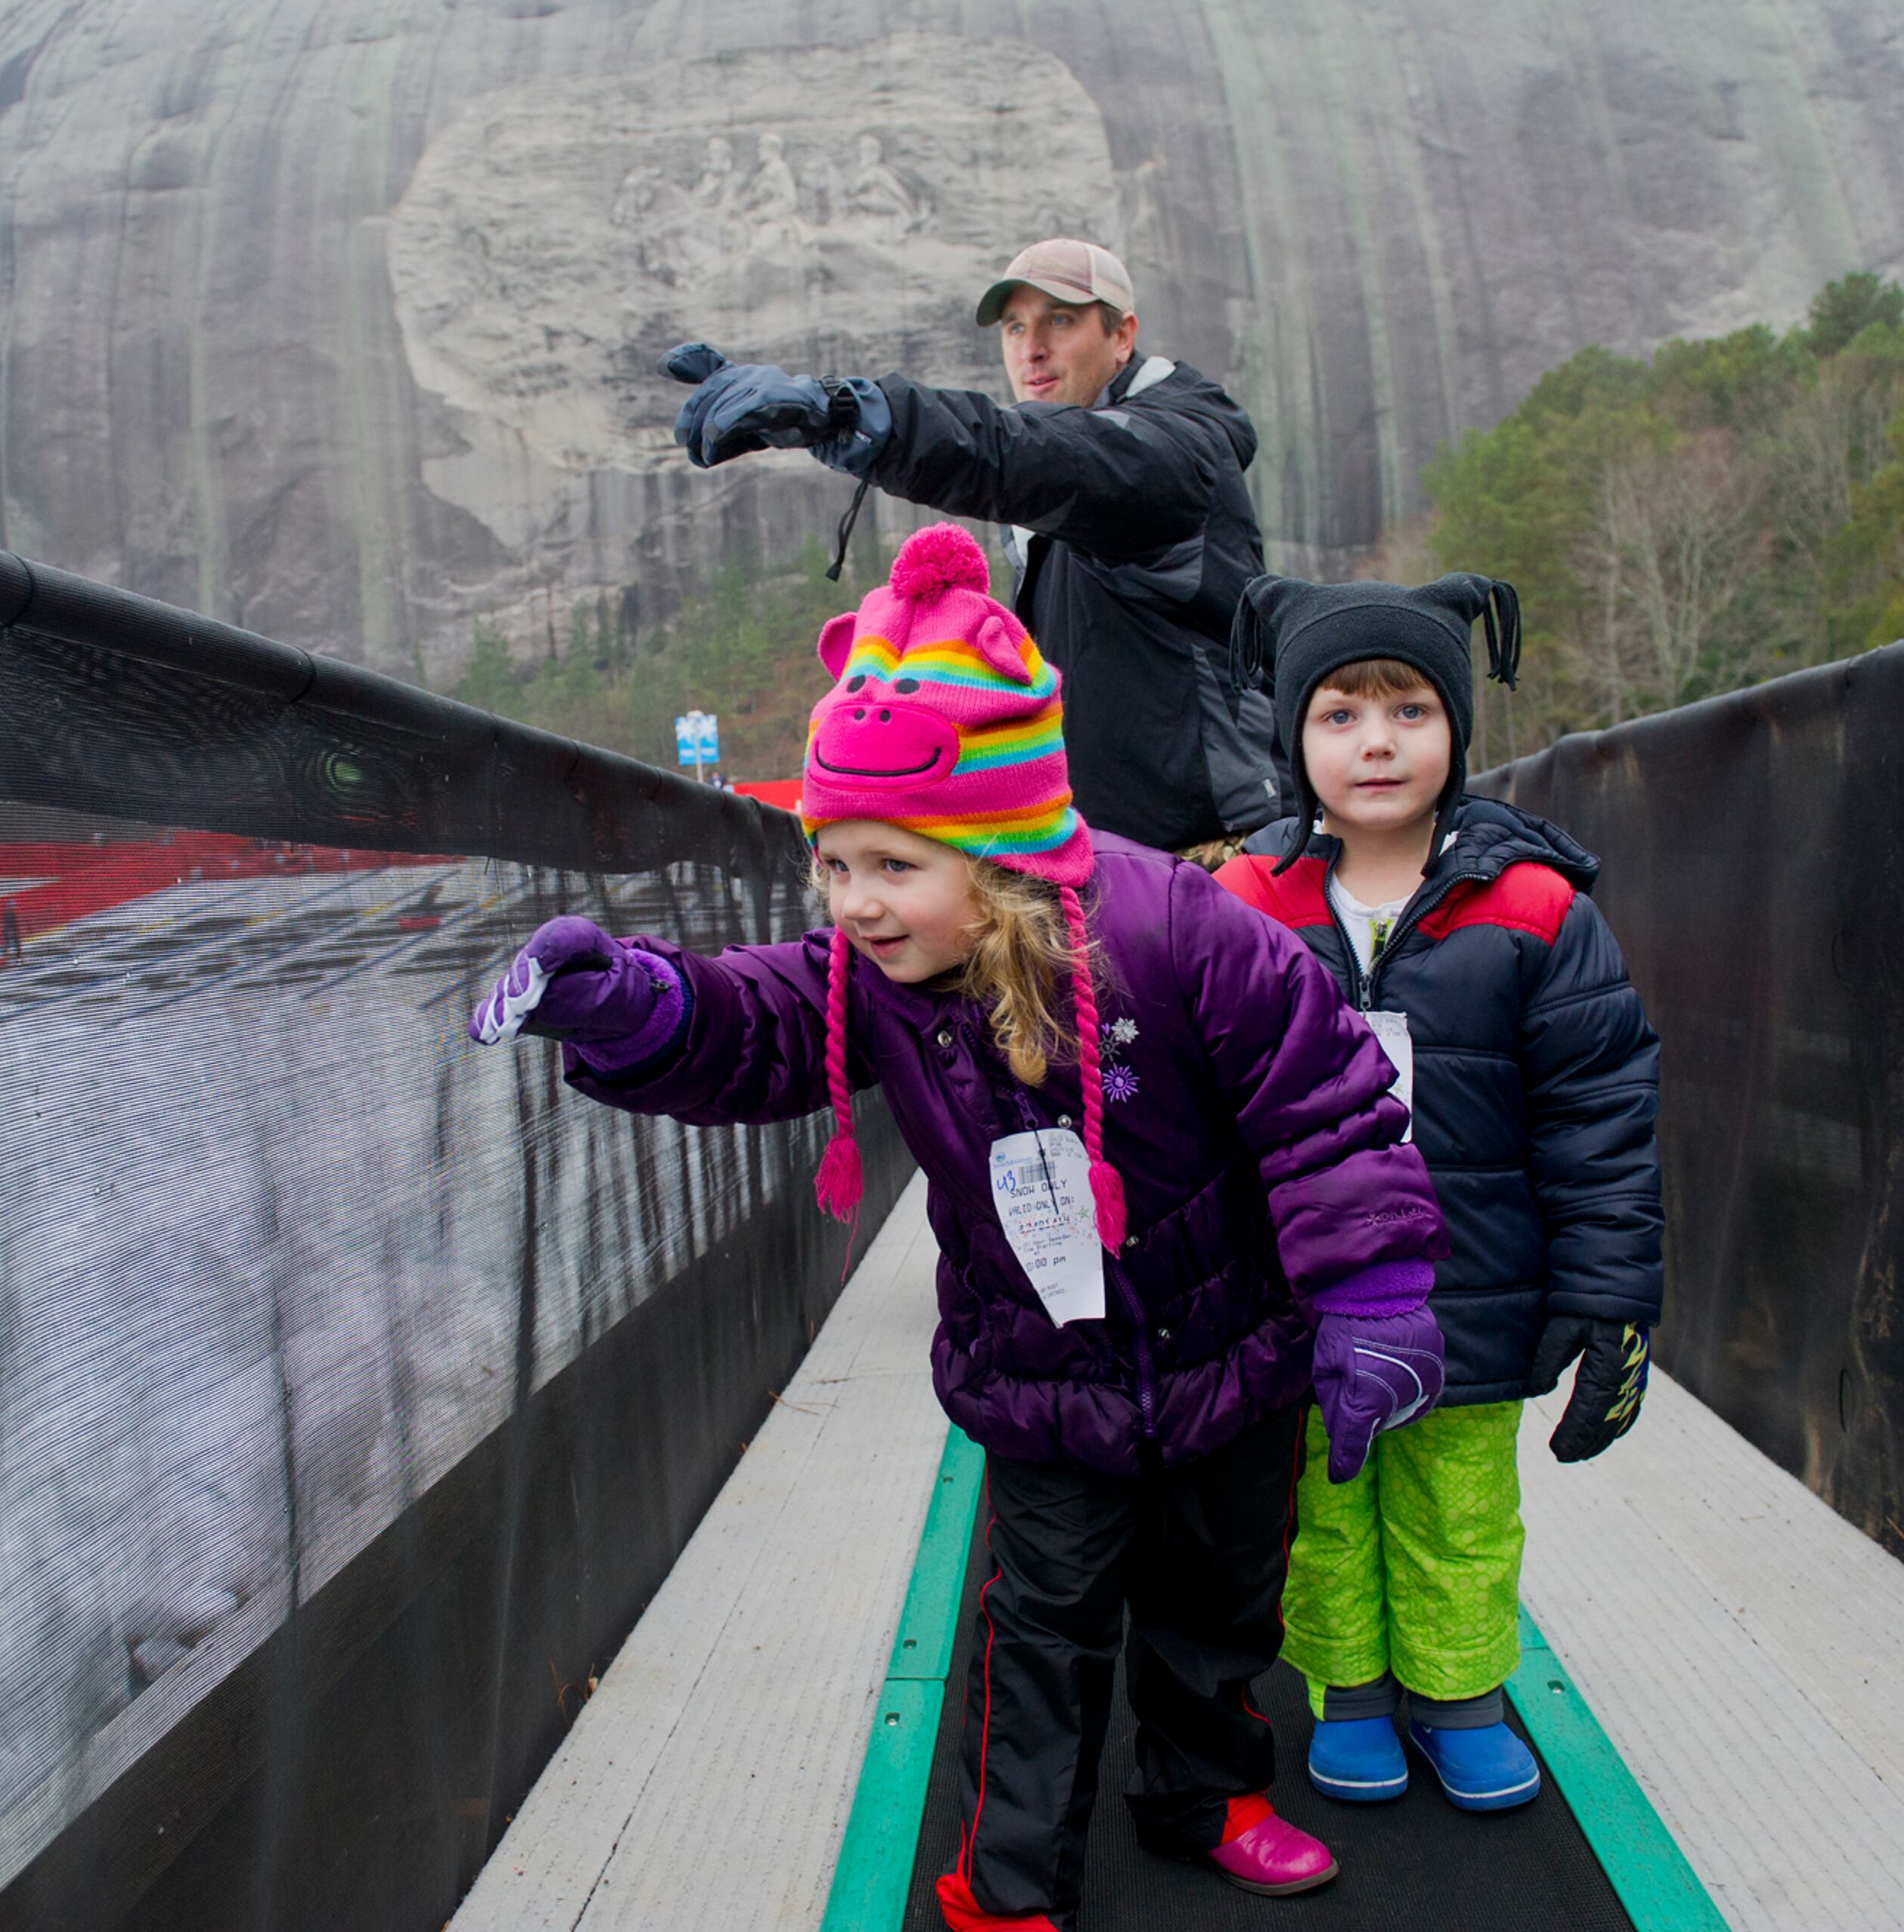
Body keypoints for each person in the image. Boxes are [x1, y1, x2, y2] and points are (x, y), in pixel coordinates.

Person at [469, 525, 1449, 1930]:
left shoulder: (1183, 934)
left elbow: (1325, 1102)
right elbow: (750, 1024)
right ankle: (1008, 1886)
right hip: (1042, 1371)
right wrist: (629, 1002)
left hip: (1230, 1348)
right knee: (1038, 1631)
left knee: (1219, 1606)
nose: (855, 903)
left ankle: (1206, 1791)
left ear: (997, 855)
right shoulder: (874, 973)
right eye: (832, 863)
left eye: (891, 864)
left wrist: (1372, 1294)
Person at [1210, 574, 1664, 1813]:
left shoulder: (1535, 907)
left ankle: (1459, 1691)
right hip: (1299, 1294)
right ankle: (1350, 1687)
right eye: (1340, 715)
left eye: (1408, 710)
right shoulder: (1246, 904)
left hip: (1476, 1286)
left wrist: (1610, 1289)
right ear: (1293, 737)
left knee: (1463, 1503)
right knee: (1325, 1499)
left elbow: (1601, 1111)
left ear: (1456, 728)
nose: (1375, 742)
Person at [661, 238, 1278, 856]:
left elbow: (1036, 454)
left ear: (1123, 337)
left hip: (1213, 854)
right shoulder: (1068, 471)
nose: (1031, 348)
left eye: (1059, 320)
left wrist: (850, 414)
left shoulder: (1168, 452)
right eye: (1014, 327)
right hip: (1112, 855)